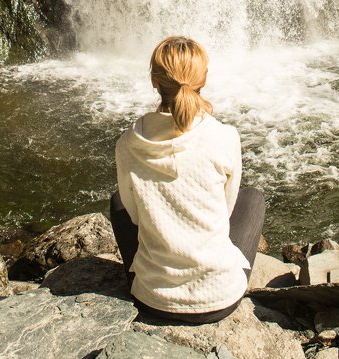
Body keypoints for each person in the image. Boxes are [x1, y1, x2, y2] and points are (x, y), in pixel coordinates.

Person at [110, 35, 265, 324]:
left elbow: (133, 215)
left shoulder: (128, 143)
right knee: (253, 199)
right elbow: (227, 210)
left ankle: (146, 272)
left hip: (152, 299)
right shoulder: (224, 136)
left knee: (118, 201)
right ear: (202, 79)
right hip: (221, 298)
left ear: (154, 81)